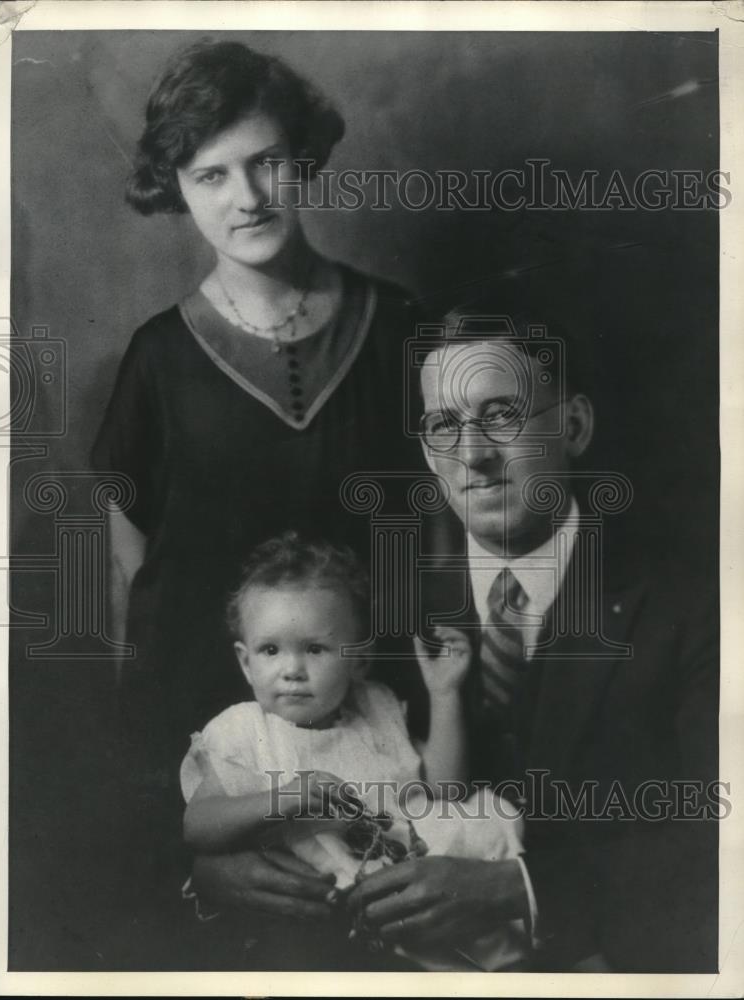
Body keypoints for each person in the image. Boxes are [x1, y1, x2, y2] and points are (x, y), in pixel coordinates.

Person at [90, 39, 424, 954]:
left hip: (383, 734)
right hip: (222, 751)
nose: (247, 198)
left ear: (303, 158)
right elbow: (137, 570)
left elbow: (444, 547)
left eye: (267, 162)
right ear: (178, 191)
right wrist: (200, 838)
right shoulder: (160, 356)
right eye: (211, 175)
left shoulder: (396, 326)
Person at [342, 302, 719, 972]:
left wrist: (518, 889)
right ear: (429, 453)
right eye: (445, 426)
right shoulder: (379, 614)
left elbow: (726, 840)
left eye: (501, 415)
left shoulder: (692, 606)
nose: (476, 456)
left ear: (573, 426)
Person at [179, 531, 528, 971]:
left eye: (315, 649)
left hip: (417, 880)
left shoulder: (374, 707)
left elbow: (446, 790)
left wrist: (445, 694)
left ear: (359, 660)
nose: (291, 670)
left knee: (484, 825)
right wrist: (284, 797)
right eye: (270, 650)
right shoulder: (244, 731)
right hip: (334, 916)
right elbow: (198, 825)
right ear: (246, 662)